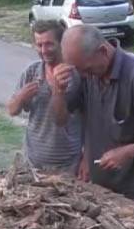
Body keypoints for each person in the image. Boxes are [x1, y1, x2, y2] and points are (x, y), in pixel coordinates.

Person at [53, 25, 134, 209]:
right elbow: (60, 120)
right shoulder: (85, 72)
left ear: (103, 51)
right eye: (78, 70)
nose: (83, 75)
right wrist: (58, 91)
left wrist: (127, 152)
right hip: (100, 185)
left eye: (87, 69)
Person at [6, 20, 83, 175]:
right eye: (39, 45)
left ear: (61, 43)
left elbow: (60, 120)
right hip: (32, 160)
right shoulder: (32, 71)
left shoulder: (72, 75)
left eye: (49, 44)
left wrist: (57, 90)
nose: (44, 50)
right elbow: (12, 110)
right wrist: (21, 97)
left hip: (65, 163)